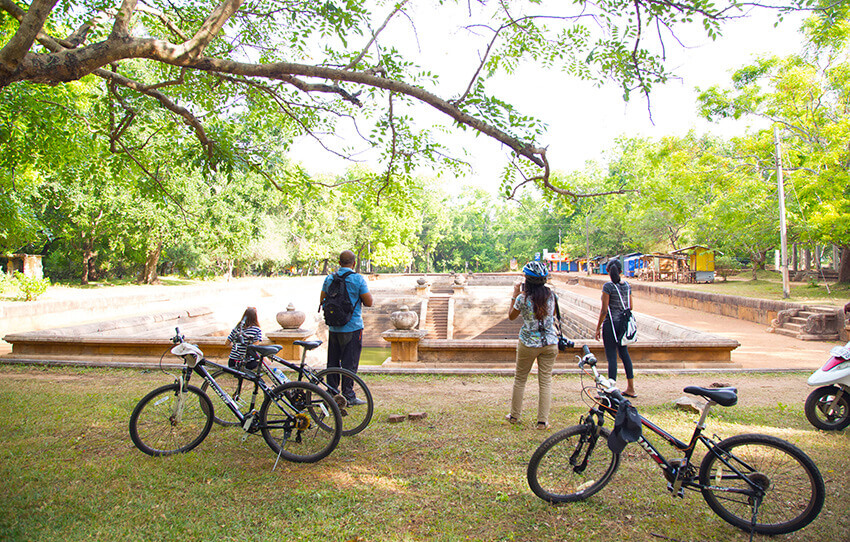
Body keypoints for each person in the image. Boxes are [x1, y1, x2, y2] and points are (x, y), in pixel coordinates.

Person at [506, 261, 559, 430]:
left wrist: (515, 294)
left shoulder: (523, 298)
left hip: (528, 342)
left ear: (527, 280)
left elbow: (511, 317)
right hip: (550, 343)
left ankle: (514, 416)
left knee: (520, 379)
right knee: (545, 382)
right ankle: (542, 421)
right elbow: (553, 315)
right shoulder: (551, 296)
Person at [320, 250, 373, 405]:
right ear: (354, 263)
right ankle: (349, 395)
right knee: (350, 363)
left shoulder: (329, 278)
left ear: (339, 263)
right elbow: (369, 302)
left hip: (334, 328)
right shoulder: (358, 279)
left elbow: (322, 299)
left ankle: (331, 392)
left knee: (333, 362)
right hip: (352, 326)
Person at [594, 260, 637, 397]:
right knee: (624, 354)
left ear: (608, 271)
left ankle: (611, 389)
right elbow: (630, 306)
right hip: (624, 325)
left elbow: (604, 310)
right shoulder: (627, 286)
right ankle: (631, 387)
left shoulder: (608, 287)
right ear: (620, 271)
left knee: (612, 357)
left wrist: (598, 327)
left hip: (611, 324)